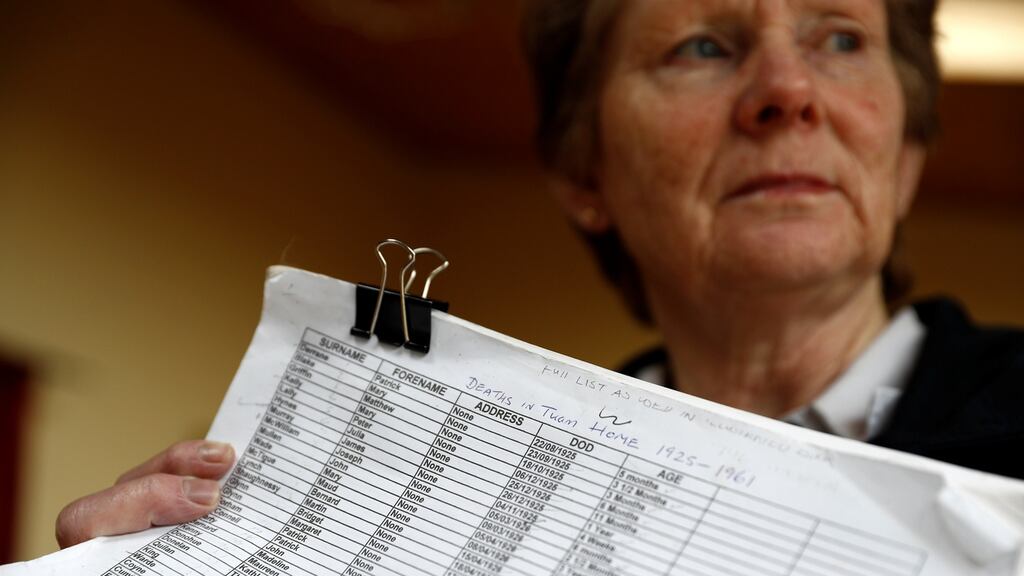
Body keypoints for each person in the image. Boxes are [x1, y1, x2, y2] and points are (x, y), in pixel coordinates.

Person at [54, 0, 1024, 550]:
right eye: (703, 46)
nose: (786, 92)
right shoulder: (436, 495)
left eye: (840, 38)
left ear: (904, 155)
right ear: (580, 172)